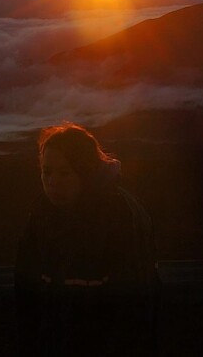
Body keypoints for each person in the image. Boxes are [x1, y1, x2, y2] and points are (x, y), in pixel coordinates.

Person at [15, 123, 159, 356]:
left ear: (85, 170)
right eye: (46, 171)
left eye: (64, 172)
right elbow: (27, 296)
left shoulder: (118, 215)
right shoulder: (41, 216)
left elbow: (132, 309)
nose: (52, 182)